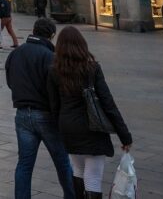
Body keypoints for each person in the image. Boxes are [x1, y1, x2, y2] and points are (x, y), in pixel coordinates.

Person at [47, 26, 132, 199]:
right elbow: (108, 103)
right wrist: (125, 135)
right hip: (92, 126)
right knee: (93, 176)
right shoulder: (91, 68)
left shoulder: (55, 70)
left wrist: (59, 129)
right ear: (81, 45)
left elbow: (53, 105)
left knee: (78, 170)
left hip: (68, 126)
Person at [5, 18, 75, 199]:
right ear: (51, 36)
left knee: (24, 164)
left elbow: (10, 81)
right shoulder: (50, 57)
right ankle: (71, 195)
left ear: (34, 31)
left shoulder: (16, 53)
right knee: (62, 162)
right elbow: (58, 88)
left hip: (22, 114)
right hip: (45, 115)